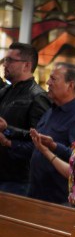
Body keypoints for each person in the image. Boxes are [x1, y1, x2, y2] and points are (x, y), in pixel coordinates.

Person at [25, 63, 75, 203]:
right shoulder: (51, 111)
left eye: (53, 79)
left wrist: (53, 147)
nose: (48, 82)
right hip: (35, 192)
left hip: (57, 199)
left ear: (70, 85)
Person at [0, 42, 51, 195]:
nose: (5, 64)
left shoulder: (38, 97)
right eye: (5, 60)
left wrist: (8, 137)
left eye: (10, 60)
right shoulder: (6, 91)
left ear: (26, 65)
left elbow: (39, 141)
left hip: (17, 179)